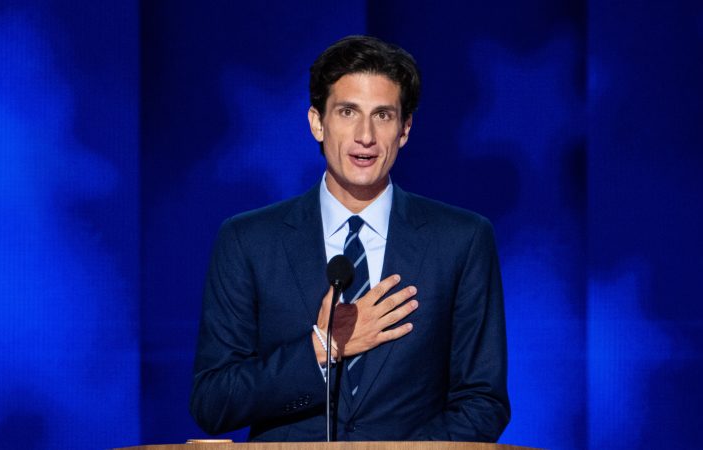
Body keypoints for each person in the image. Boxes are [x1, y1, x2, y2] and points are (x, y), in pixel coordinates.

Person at [190, 35, 510, 442]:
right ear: (317, 123)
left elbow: (483, 401)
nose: (365, 136)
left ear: (405, 129)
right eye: (347, 112)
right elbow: (213, 402)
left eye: (383, 115)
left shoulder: (462, 240)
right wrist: (322, 349)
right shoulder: (247, 240)